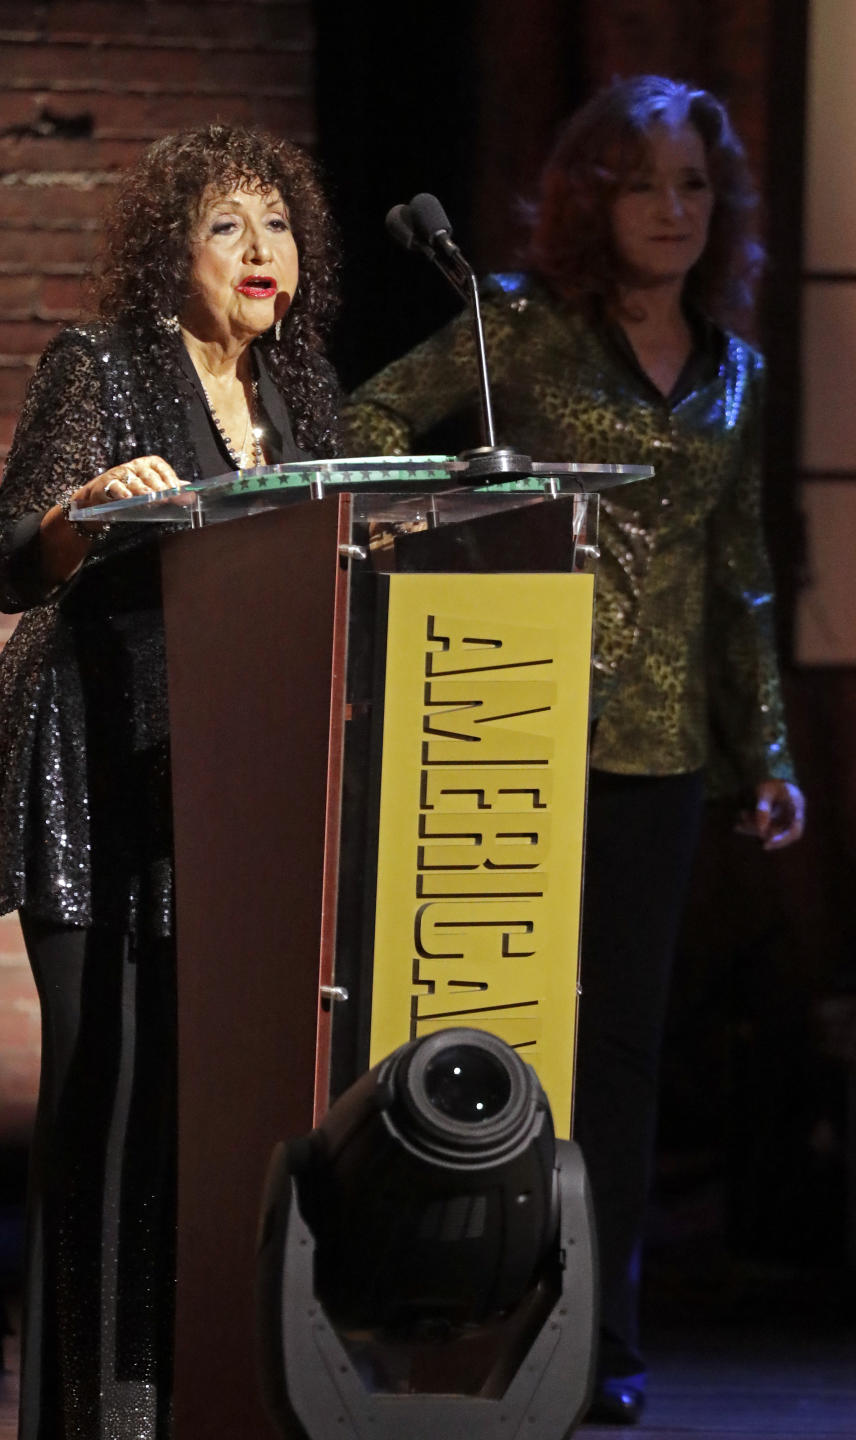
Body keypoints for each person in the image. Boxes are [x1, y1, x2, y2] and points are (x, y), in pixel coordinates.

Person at [340, 76, 805, 1425]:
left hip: (659, 758)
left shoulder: (738, 371)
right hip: (510, 723)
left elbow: (742, 571)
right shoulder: (521, 335)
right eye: (645, 181)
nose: (673, 208)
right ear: (590, 196)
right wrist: (465, 518)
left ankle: (597, 1339)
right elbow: (369, 423)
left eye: (695, 186)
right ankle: (460, 1312)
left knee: (624, 1061)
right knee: (500, 1033)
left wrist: (765, 750)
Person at [0, 123, 339, 1438]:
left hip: (222, 771)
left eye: (279, 224)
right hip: (87, 755)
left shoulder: (296, 393)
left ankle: (174, 1392)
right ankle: (82, 1411)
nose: (260, 250)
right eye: (228, 225)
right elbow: (9, 558)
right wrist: (87, 504)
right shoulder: (102, 365)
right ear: (169, 248)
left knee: (194, 1092)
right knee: (103, 1093)